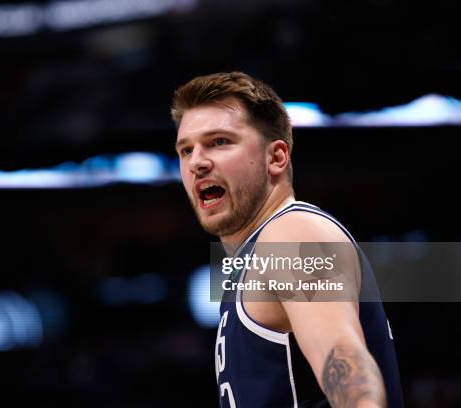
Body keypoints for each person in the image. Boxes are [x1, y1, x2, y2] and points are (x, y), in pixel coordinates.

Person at [171, 72, 403, 407]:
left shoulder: (292, 235)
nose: (197, 163)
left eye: (219, 142)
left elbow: (346, 363)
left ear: (276, 158)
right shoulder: (253, 259)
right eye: (185, 150)